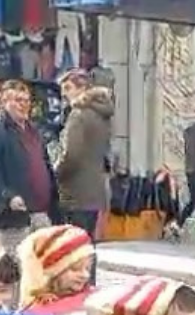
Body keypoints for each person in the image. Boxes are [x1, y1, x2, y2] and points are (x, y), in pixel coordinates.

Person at [0, 79, 57, 250]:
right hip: (13, 216)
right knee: (18, 268)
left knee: (43, 267)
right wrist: (9, 197)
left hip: (41, 213)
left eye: (27, 100)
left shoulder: (35, 131)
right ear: (5, 102)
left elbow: (45, 164)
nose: (24, 105)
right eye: (18, 100)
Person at [55, 69, 113, 279]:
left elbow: (72, 154)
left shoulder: (78, 115)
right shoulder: (101, 113)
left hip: (76, 189)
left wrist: (56, 174)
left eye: (69, 88)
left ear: (83, 88)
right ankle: (89, 284)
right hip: (95, 188)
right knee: (88, 244)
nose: (65, 95)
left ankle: (80, 287)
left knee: (76, 245)